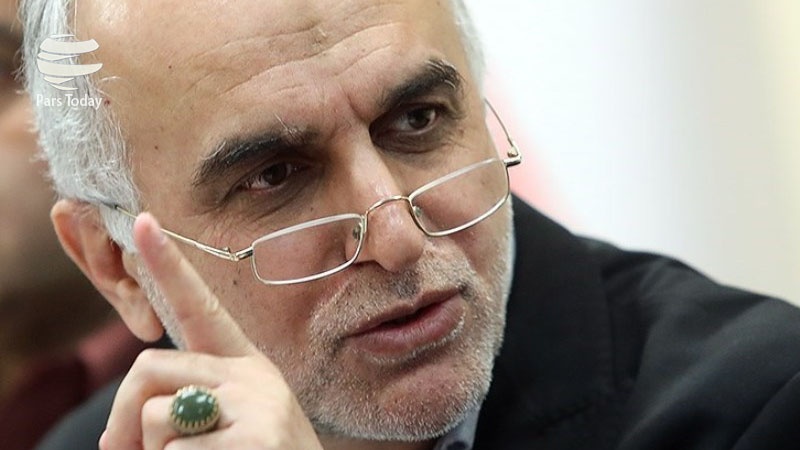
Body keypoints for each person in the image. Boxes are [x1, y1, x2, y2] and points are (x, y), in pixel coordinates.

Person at [22, 0, 800, 449]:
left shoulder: (758, 408)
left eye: (418, 120)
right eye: (275, 176)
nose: (397, 237)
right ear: (119, 268)